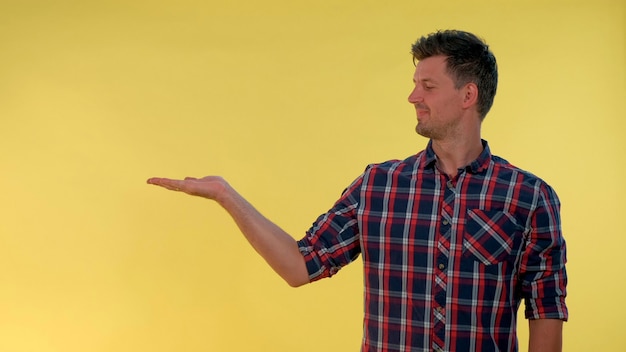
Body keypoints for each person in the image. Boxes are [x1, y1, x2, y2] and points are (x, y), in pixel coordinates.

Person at [147, 30, 568, 352]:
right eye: (414, 83)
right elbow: (299, 265)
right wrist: (226, 195)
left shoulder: (528, 197)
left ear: (468, 95)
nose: (412, 96)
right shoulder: (378, 186)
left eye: (428, 86)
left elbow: (545, 309)